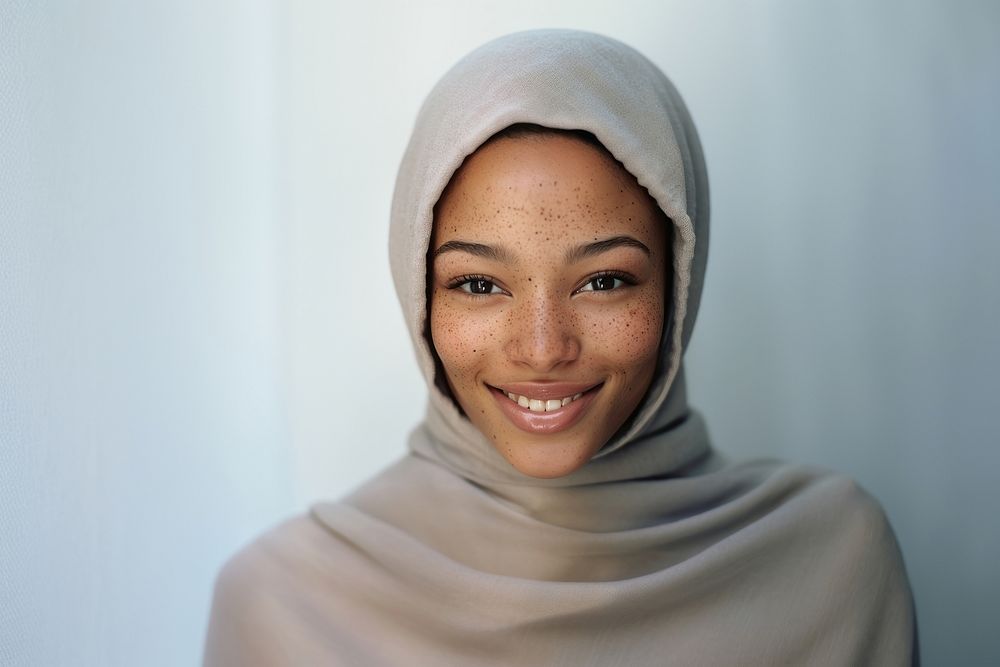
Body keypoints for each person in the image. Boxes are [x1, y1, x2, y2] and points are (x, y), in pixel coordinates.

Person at [203, 29, 917, 665]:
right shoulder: (283, 603)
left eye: (603, 279)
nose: (542, 348)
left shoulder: (829, 562)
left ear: (679, 282)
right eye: (480, 283)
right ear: (419, 289)